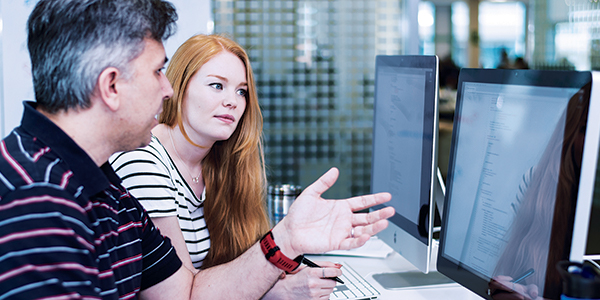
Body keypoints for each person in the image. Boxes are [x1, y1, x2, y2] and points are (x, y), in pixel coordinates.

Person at [0, 0, 395, 299]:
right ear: (111, 86)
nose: (167, 88)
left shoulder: (105, 186)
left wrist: (287, 238)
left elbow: (184, 295)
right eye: (158, 71)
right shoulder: (35, 201)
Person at [110, 33, 342, 299]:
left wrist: (292, 271)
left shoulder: (222, 161)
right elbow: (179, 293)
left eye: (241, 91)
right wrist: (273, 292)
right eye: (217, 86)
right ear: (179, 86)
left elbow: (236, 266)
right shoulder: (142, 160)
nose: (232, 100)